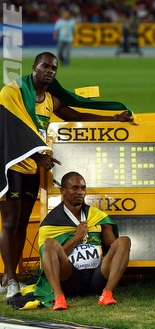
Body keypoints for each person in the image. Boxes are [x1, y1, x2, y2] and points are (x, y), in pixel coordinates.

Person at [0, 52, 135, 300]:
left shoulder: (50, 99)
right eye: (45, 66)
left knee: (21, 224)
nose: (50, 71)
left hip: (33, 170)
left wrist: (114, 119)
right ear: (34, 67)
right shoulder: (12, 92)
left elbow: (78, 116)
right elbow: (8, 128)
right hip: (12, 167)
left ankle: (9, 275)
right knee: (9, 223)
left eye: (54, 68)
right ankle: (10, 279)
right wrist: (36, 155)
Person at [34, 172, 131, 310]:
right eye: (74, 188)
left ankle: (107, 293)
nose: (80, 192)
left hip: (97, 276)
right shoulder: (51, 223)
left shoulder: (97, 217)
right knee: (49, 243)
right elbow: (50, 258)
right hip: (70, 278)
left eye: (83, 188)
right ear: (63, 191)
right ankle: (59, 296)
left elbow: (113, 247)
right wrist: (76, 238)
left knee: (124, 241)